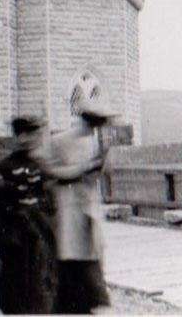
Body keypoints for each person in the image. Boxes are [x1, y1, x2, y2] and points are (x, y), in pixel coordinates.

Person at [0, 116, 58, 314]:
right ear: (19, 136)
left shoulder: (41, 165)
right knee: (15, 296)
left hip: (40, 245)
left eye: (35, 133)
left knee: (41, 295)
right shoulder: (7, 166)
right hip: (16, 246)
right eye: (27, 134)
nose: (32, 138)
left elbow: (49, 200)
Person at [43, 98, 116, 313]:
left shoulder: (94, 142)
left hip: (87, 211)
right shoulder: (59, 141)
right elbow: (49, 171)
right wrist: (80, 169)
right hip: (67, 211)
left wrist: (99, 165)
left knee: (91, 265)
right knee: (71, 268)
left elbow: (100, 174)